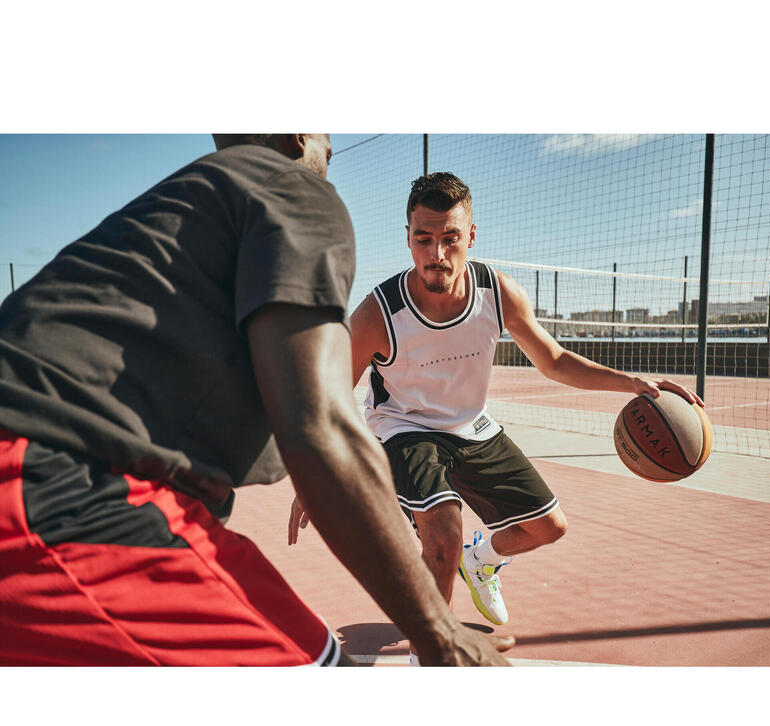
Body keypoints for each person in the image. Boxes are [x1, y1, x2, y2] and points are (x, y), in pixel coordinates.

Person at [0, 137, 509, 667]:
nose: (331, 139)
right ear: (299, 134)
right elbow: (321, 429)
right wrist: (438, 632)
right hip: (54, 494)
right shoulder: (289, 189)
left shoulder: (173, 214)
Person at [290, 171, 703, 645]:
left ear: (471, 236)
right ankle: (434, 655)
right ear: (407, 237)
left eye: (450, 238)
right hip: (403, 427)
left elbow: (555, 361)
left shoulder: (497, 292)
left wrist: (631, 383)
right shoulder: (378, 312)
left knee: (549, 527)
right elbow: (333, 394)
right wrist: (313, 473)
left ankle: (480, 561)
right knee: (441, 536)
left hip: (469, 424)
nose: (437, 254)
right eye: (423, 239)